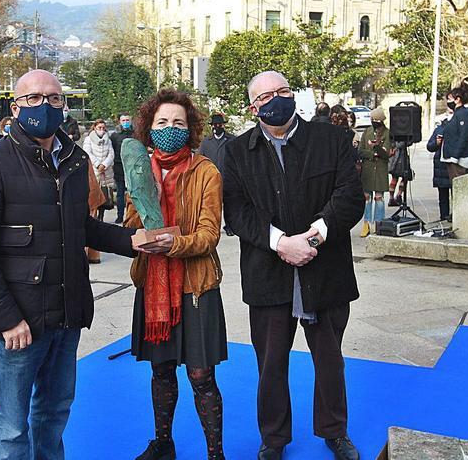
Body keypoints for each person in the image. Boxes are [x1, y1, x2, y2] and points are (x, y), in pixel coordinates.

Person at [0, 69, 146, 460]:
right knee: (11, 428)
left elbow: (82, 227)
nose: (46, 105)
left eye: (54, 98)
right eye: (35, 98)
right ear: (15, 108)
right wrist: (5, 318)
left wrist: (132, 241)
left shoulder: (74, 161)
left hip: (66, 314)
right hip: (18, 324)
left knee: (54, 413)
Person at [222, 71, 364, 460]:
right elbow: (236, 211)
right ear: (253, 107)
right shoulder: (235, 152)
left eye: (283, 91)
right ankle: (273, 438)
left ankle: (335, 431)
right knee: (270, 363)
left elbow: (349, 197)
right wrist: (281, 243)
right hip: (268, 274)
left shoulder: (331, 140)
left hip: (325, 269)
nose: (277, 99)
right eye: (266, 95)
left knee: (330, 360)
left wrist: (312, 239)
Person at [127, 89, 227, 460]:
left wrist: (172, 244)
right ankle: (163, 443)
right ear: (149, 128)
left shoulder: (206, 172)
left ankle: (215, 454)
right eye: (163, 122)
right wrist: (142, 219)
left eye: (178, 123)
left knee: (202, 377)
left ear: (191, 129)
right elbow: (129, 223)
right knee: (162, 370)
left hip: (195, 286)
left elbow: (208, 234)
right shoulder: (141, 170)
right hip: (154, 284)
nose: (170, 128)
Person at [200, 113, 235, 236]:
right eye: (214, 125)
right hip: (212, 180)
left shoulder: (232, 140)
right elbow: (201, 161)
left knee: (230, 204)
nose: (217, 126)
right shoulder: (206, 143)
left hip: (229, 178)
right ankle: (212, 227)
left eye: (219, 124)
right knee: (212, 204)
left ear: (223, 125)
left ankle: (230, 226)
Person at [358, 108, 391, 237]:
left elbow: (386, 153)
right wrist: (372, 153)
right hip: (368, 168)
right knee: (367, 197)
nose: (374, 122)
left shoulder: (387, 133)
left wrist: (377, 147)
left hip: (381, 169)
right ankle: (366, 223)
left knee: (379, 198)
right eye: (372, 120)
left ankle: (379, 223)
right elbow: (360, 150)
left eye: (376, 120)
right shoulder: (367, 131)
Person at [82, 119, 115, 222]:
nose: (101, 130)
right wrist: (97, 164)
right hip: (95, 171)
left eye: (103, 128)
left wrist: (104, 164)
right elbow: (87, 152)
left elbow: (111, 154)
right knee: (94, 195)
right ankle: (93, 217)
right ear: (95, 128)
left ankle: (101, 217)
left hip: (106, 172)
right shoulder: (88, 139)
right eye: (99, 128)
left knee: (104, 196)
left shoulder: (108, 140)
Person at [440, 86, 468, 180]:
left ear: (457, 99)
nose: (448, 102)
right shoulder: (457, 113)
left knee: (459, 187)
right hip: (453, 158)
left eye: (449, 99)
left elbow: (463, 136)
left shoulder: (462, 114)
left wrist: (455, 156)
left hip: (460, 160)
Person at [427, 109, 453, 221]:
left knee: (456, 195)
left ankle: (456, 217)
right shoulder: (439, 129)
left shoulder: (460, 127)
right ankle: (444, 217)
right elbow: (430, 146)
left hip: (453, 165)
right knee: (443, 196)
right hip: (440, 168)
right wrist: (437, 143)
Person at [110, 113, 134, 224]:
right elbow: (112, 151)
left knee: (133, 192)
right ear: (120, 122)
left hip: (133, 166)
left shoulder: (135, 134)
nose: (125, 122)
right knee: (120, 193)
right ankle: (120, 216)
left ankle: (133, 216)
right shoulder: (115, 135)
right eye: (123, 120)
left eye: (127, 120)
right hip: (119, 167)